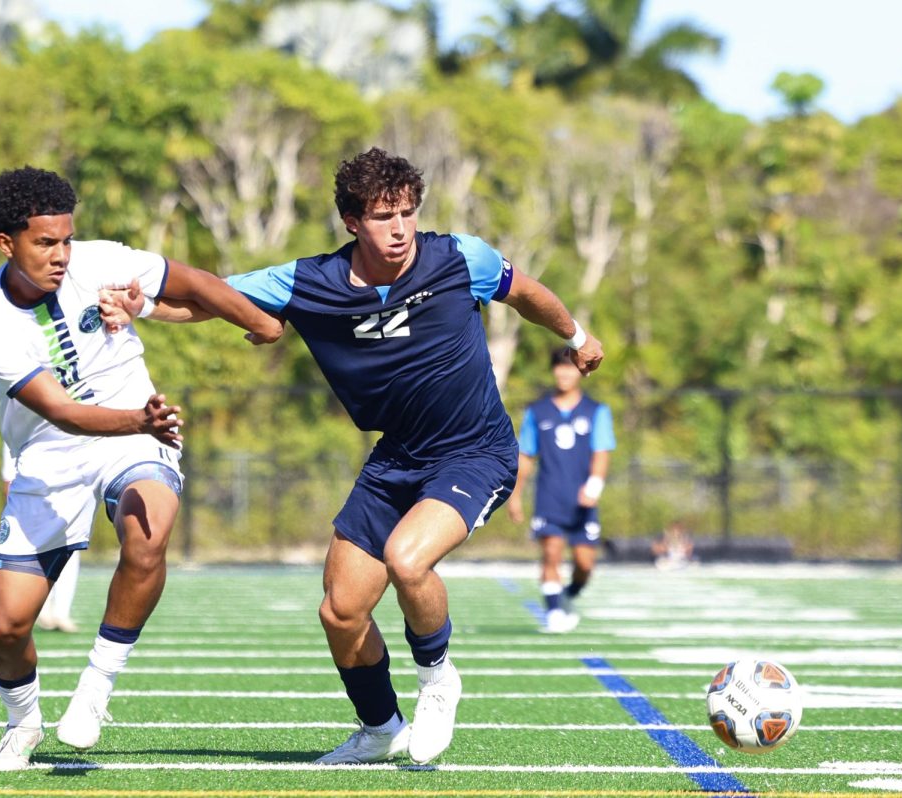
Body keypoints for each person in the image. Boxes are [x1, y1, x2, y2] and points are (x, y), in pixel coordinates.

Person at [164, 147, 603, 765]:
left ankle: (437, 679)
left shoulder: (458, 257)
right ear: (351, 220)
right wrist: (134, 308)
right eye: (381, 216)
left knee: (407, 560)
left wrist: (576, 337)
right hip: (396, 457)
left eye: (406, 212)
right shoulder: (307, 281)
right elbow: (206, 297)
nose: (398, 229)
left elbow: (527, 293)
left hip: (476, 451)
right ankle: (379, 729)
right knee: (340, 610)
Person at [0, 165, 282, 771]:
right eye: (45, 243)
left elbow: (192, 280)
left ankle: (96, 686)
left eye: (66, 239)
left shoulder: (99, 259)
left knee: (149, 528)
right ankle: (22, 725)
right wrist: (140, 419)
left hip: (136, 436)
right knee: (7, 627)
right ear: (6, 244)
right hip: (54, 453)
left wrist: (260, 323)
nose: (62, 255)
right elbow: (61, 413)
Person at [507, 347, 616, 633]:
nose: (563, 373)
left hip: (583, 502)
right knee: (551, 553)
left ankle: (567, 595)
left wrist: (594, 486)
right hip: (549, 497)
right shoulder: (537, 412)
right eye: (559, 367)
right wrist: (515, 496)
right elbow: (526, 456)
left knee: (584, 564)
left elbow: (602, 453)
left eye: (569, 368)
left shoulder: (596, 411)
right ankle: (554, 611)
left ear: (580, 372)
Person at [2, 443, 79, 633]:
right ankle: (41, 609)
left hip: (65, 492)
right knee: (36, 552)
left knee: (70, 548)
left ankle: (61, 612)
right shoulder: (19, 420)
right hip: (31, 496)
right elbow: (9, 471)